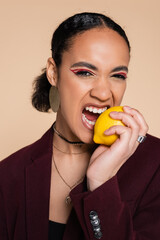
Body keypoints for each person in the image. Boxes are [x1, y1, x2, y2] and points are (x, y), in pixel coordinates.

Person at [0, 12, 160, 240]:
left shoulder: (155, 164)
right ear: (53, 73)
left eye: (118, 75)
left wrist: (102, 186)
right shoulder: (8, 178)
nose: (104, 93)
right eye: (85, 72)